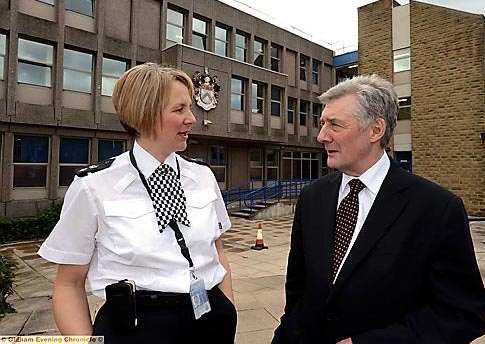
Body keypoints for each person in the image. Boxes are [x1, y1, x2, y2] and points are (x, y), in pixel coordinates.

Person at [272, 74, 485, 344]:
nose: (321, 136)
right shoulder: (313, 197)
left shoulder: (436, 208)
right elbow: (298, 292)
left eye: (335, 125)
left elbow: (463, 313)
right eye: (323, 123)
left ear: (375, 130)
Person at [38, 63, 237, 343]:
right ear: (144, 114)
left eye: (189, 108)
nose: (191, 118)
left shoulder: (202, 176)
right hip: (136, 327)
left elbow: (217, 250)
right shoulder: (94, 185)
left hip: (210, 319)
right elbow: (68, 284)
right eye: (179, 110)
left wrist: (227, 306)